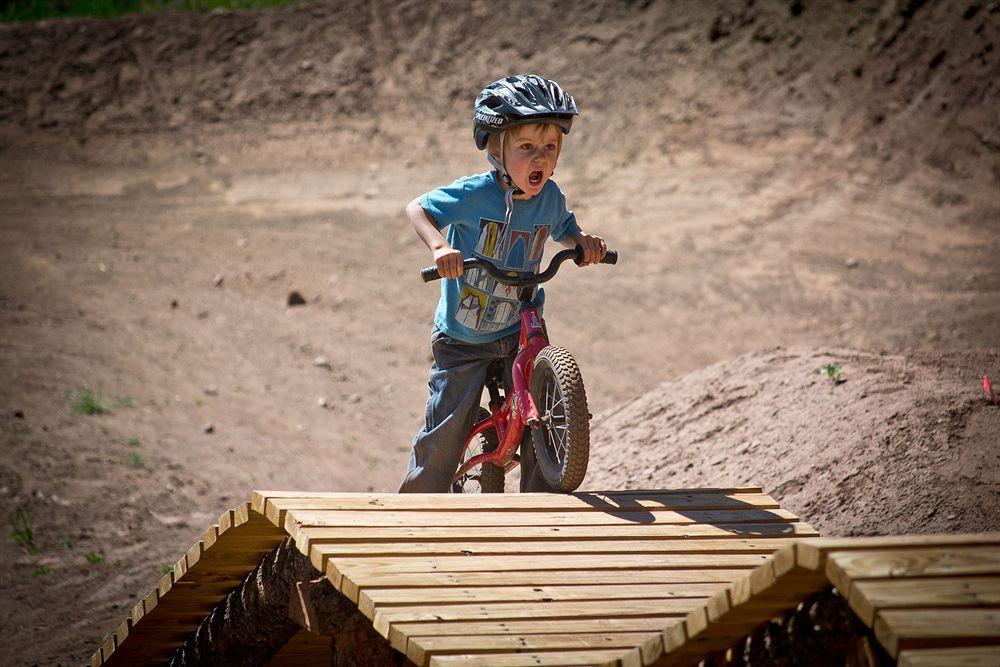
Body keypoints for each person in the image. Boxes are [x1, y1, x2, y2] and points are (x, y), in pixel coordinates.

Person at [398, 74, 607, 493]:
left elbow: (562, 226)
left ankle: (541, 508)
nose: (540, 159)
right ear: (496, 149)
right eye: (527, 147)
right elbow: (417, 208)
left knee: (544, 419)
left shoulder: (550, 197)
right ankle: (418, 507)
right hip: (463, 336)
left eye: (550, 148)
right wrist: (440, 247)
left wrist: (581, 242)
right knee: (447, 428)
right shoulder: (474, 194)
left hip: (519, 327)